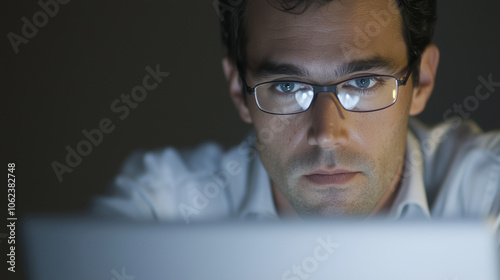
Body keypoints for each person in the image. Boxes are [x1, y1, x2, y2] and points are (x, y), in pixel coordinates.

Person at [91, 0, 500, 233]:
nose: (326, 134)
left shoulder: (489, 195)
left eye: (361, 83)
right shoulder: (160, 212)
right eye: (287, 86)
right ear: (239, 91)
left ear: (422, 82)